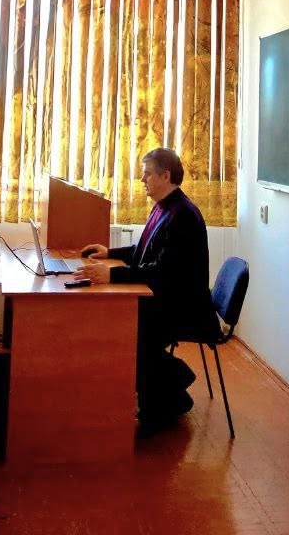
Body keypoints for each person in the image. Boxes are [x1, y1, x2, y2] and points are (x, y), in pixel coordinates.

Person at [74, 147, 218, 432]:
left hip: (182, 307)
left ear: (165, 176)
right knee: (118, 323)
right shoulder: (164, 206)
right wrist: (109, 253)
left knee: (124, 328)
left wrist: (112, 275)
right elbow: (144, 252)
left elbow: (163, 272)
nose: (142, 180)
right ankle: (173, 385)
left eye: (147, 174)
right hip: (166, 297)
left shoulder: (183, 215)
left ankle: (167, 398)